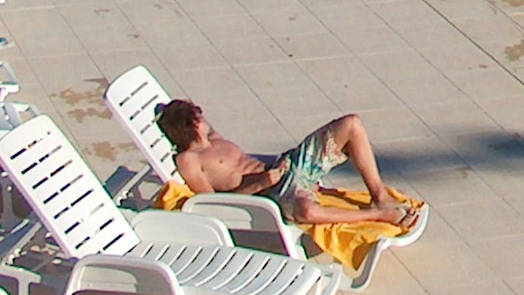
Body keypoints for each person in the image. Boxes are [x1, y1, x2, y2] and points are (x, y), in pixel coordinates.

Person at [158, 98, 418, 228]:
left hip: (290, 165)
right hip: (275, 191)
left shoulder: (212, 137)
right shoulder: (189, 160)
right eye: (198, 117)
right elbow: (213, 204)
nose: (204, 118)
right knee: (307, 212)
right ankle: (377, 215)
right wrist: (261, 182)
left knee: (352, 124)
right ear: (191, 125)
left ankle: (380, 196)